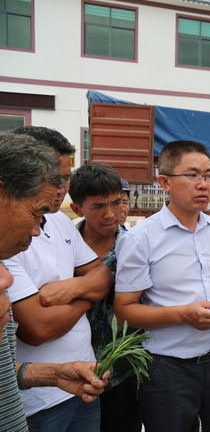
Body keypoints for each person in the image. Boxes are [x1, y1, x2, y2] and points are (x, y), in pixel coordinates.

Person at [114, 140, 210, 432]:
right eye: (192, 175)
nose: (204, 185)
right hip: (168, 370)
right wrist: (183, 314)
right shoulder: (141, 240)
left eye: (208, 175)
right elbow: (124, 311)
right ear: (165, 182)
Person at [4, 127, 113, 431]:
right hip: (37, 404)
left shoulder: (58, 222)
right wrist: (88, 296)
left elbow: (103, 276)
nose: (61, 186)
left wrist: (70, 290)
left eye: (66, 177)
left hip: (79, 381)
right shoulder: (11, 236)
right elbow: (36, 327)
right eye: (54, 176)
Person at [69, 164, 141, 432]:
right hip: (72, 370)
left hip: (124, 369)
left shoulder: (135, 245)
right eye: (98, 206)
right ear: (78, 209)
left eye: (116, 202)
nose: (111, 214)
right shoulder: (62, 244)